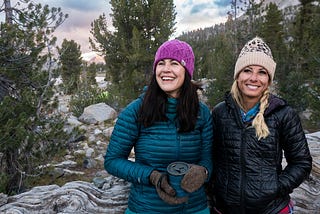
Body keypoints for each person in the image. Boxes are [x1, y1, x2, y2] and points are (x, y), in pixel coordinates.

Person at [104, 39, 213, 213]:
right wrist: (152, 176)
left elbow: (207, 159)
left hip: (193, 207)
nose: (166, 69)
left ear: (187, 71)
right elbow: (112, 161)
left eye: (174, 63)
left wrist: (204, 172)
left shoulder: (202, 113)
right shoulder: (136, 111)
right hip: (146, 207)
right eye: (161, 63)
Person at [209, 37, 312, 214]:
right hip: (224, 209)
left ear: (269, 79)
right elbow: (211, 156)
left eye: (262, 72)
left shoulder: (283, 114)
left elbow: (301, 162)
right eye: (247, 70)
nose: (254, 78)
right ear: (238, 75)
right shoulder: (220, 112)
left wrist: (275, 188)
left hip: (271, 209)